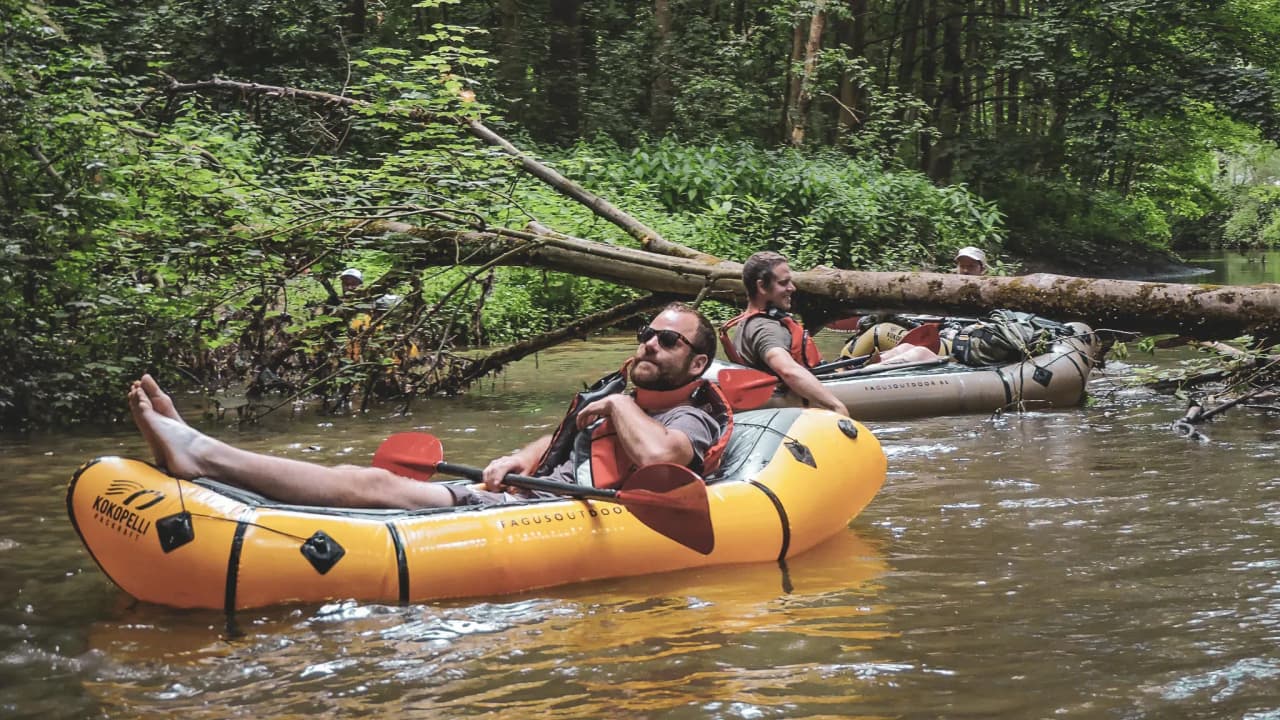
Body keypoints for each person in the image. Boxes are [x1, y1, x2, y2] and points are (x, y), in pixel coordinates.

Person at [129, 302, 730, 509]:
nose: (650, 343)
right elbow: (559, 446)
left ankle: (201, 453)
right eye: (646, 336)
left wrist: (621, 406)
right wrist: (511, 460)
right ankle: (197, 446)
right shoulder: (618, 393)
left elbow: (662, 459)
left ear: (697, 363)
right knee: (366, 480)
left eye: (668, 340)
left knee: (368, 486)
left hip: (569, 514)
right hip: (531, 495)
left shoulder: (692, 414)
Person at [720, 251, 848, 416]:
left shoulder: (749, 321)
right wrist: (836, 406)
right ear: (761, 287)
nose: (792, 288)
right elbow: (787, 370)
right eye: (783, 283)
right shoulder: (765, 328)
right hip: (787, 397)